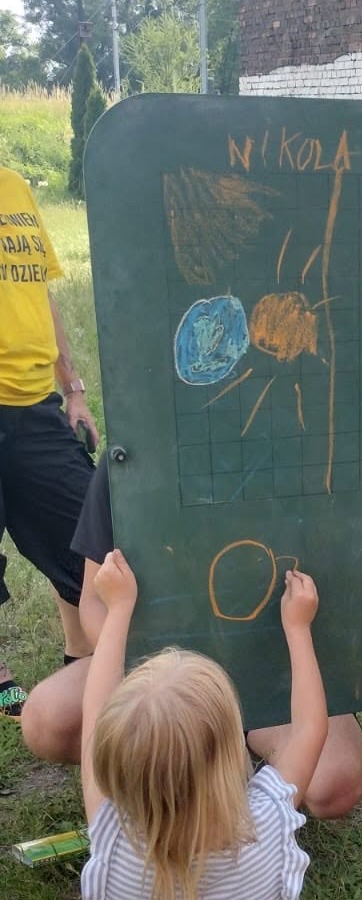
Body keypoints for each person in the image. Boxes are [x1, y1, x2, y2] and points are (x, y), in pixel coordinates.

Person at [21, 453, 362, 821]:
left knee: (332, 783)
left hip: (275, 676)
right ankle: (186, 763)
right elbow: (92, 600)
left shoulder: (300, 450)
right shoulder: (131, 455)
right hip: (159, 674)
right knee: (47, 720)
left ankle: (233, 764)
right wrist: (152, 693)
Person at [80, 549, 326, 899]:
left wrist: (118, 610)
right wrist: (298, 629)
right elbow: (308, 731)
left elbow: (95, 713)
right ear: (233, 756)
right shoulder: (265, 826)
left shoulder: (112, 835)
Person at [0, 165, 99, 719]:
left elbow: (41, 294)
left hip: (35, 402)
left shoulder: (13, 186)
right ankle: (0, 680)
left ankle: (79, 655)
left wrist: (73, 387)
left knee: (87, 528)